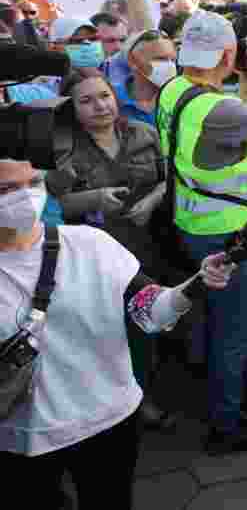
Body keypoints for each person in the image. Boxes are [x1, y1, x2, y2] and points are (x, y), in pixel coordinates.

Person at [0, 158, 232, 509]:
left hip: (108, 420)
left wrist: (192, 287)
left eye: (31, 182)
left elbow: (148, 310)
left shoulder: (90, 244)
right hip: (22, 437)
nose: (23, 196)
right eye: (6, 189)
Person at [155, 10, 247, 454]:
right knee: (232, 331)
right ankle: (226, 424)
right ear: (228, 53)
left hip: (195, 223)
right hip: (230, 235)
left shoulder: (175, 89)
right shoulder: (220, 108)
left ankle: (229, 393)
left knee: (216, 323)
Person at [45, 68, 180, 429]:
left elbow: (168, 179)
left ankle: (142, 393)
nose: (99, 106)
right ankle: (125, 405)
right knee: (108, 332)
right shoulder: (60, 147)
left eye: (104, 96)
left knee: (147, 321)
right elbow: (48, 202)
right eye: (85, 101)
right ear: (70, 108)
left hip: (146, 246)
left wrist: (152, 199)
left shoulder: (142, 132)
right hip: (92, 257)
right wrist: (94, 198)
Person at [114, 30, 178, 126]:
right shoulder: (112, 97)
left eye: (173, 60)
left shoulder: (182, 98)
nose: (170, 65)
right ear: (132, 61)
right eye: (160, 59)